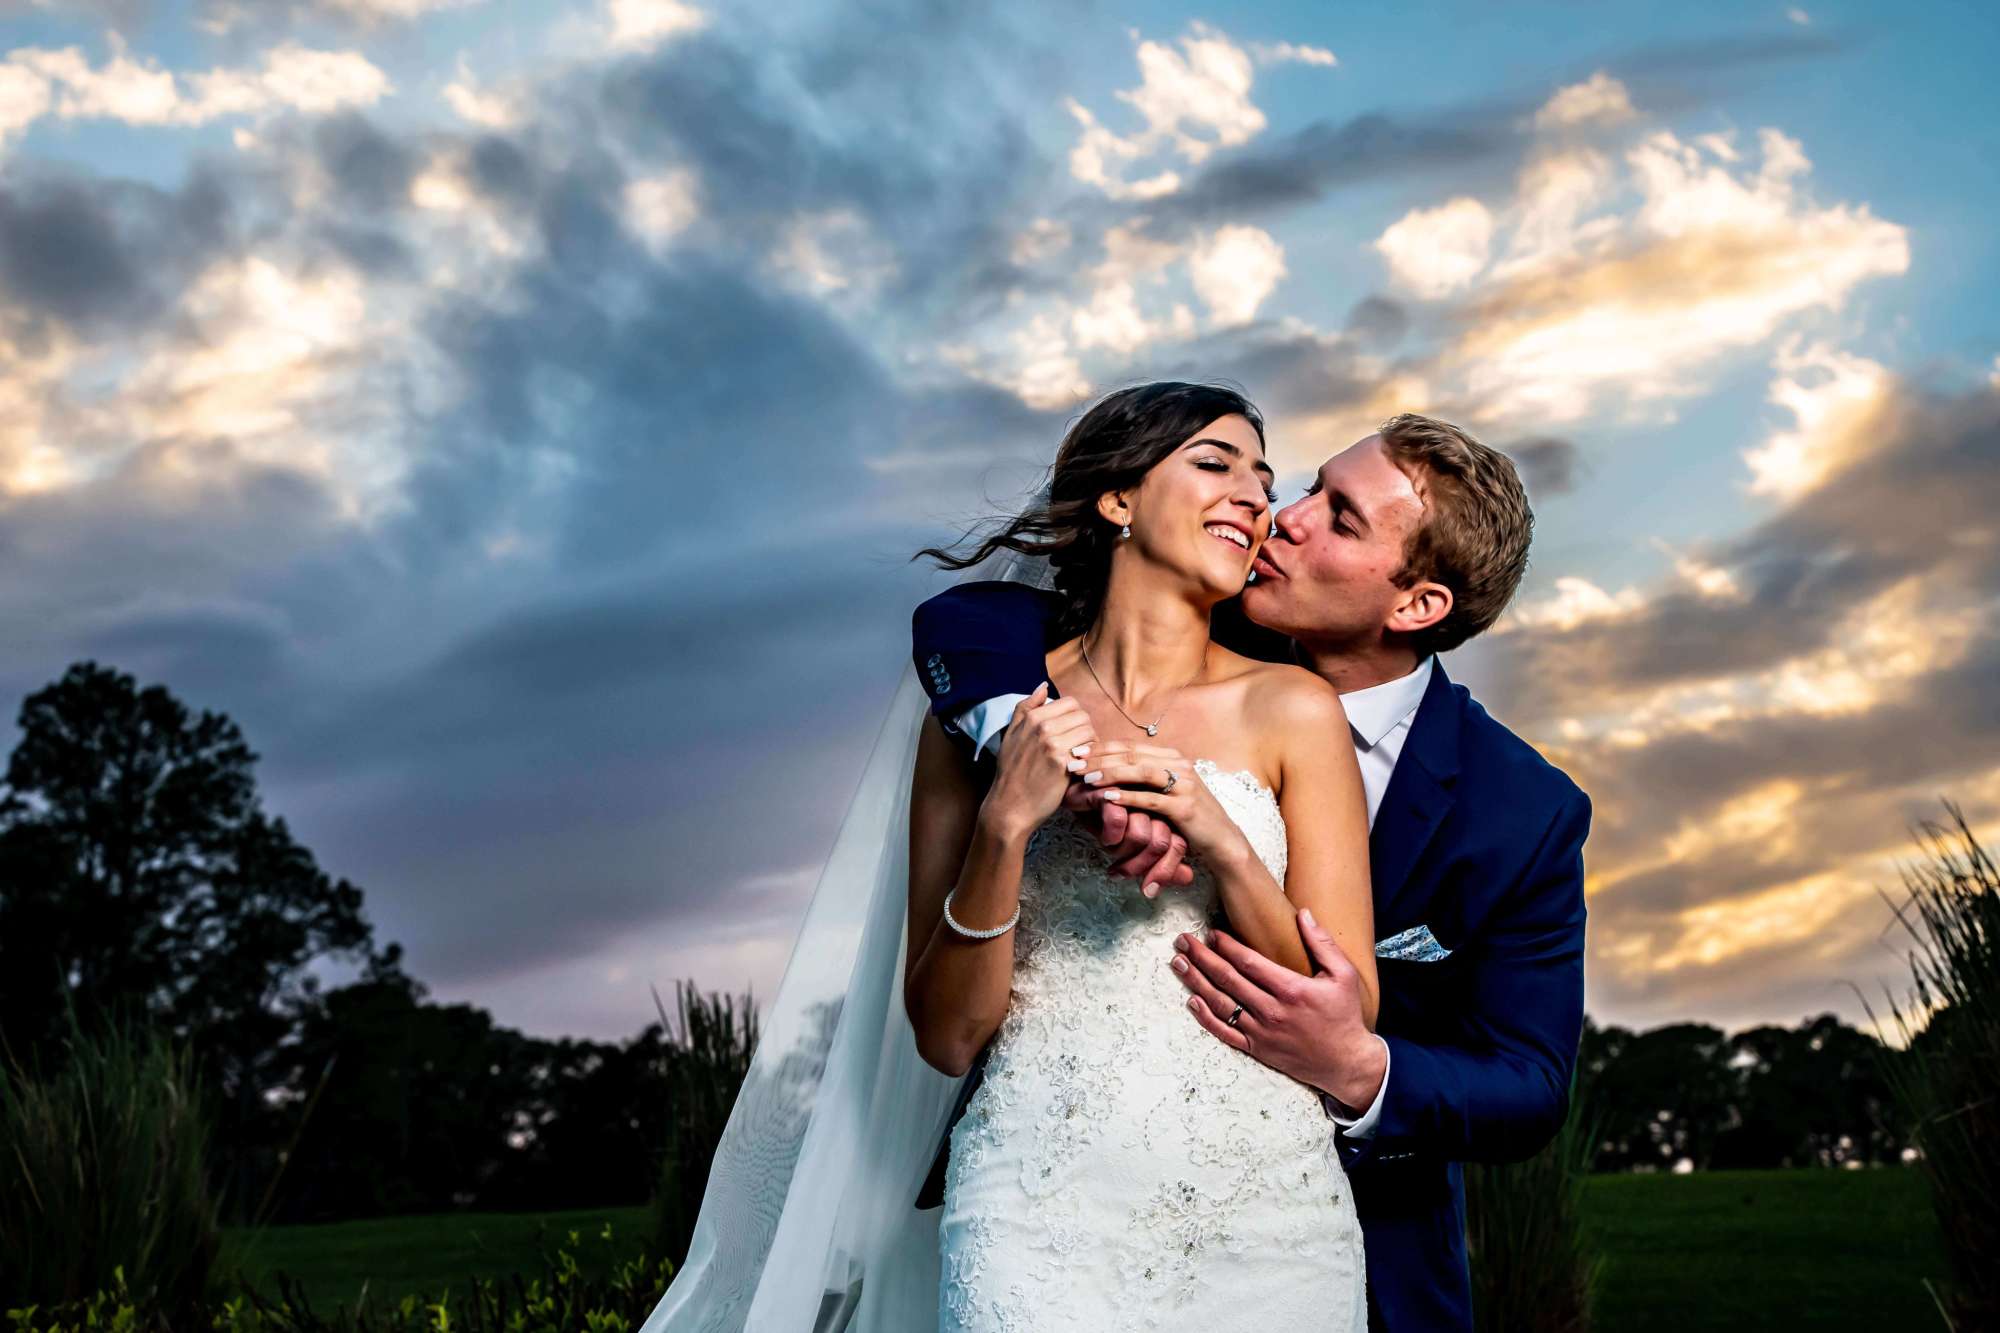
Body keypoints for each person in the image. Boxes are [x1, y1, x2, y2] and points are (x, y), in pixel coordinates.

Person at [912, 411, 1591, 1332]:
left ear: (1417, 605)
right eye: (1307, 486)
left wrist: (1364, 1067)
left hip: (1329, 1235)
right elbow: (970, 615)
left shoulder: (1522, 813)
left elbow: (1532, 1079)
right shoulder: (1201, 600)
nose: (1285, 515)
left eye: (1339, 518)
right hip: (1057, 1191)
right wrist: (1046, 762)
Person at [906, 381, 1374, 1329]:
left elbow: (1350, 1003)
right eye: (1215, 463)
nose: (1254, 496)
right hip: (1034, 1211)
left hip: (1267, 1215)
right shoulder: (989, 717)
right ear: (1116, 500)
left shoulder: (1292, 708)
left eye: (1264, 479)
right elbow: (947, 1037)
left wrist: (1225, 845)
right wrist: (1006, 825)